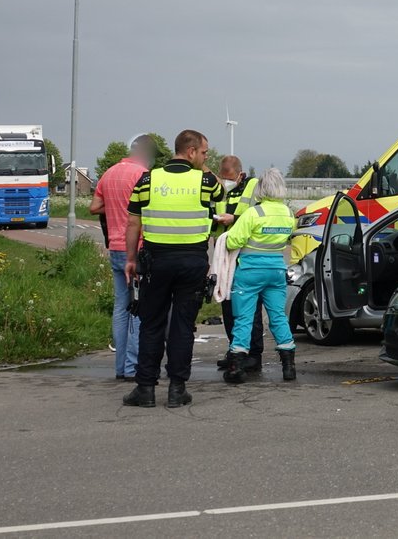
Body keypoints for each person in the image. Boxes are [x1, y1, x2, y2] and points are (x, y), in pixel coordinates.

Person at [122, 130, 223, 409]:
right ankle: (177, 389)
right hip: (192, 262)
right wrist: (203, 168)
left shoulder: (147, 179)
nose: (206, 158)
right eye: (204, 153)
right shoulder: (206, 180)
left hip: (156, 261)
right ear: (190, 152)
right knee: (182, 326)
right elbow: (221, 197)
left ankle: (145, 389)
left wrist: (131, 259)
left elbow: (133, 224)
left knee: (151, 324)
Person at [89, 134, 155, 381]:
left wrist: (116, 206)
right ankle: (132, 366)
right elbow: (147, 211)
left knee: (120, 307)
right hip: (135, 248)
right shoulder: (142, 175)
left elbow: (94, 207)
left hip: (114, 247)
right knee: (139, 307)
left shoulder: (109, 173)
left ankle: (120, 367)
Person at [222, 168, 298, 383]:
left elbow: (232, 241)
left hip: (250, 272)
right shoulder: (288, 214)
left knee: (244, 318)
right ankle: (289, 366)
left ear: (261, 189)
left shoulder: (253, 213)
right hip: (276, 271)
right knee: (278, 317)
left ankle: (236, 367)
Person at [211, 155, 264, 372]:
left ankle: (254, 354)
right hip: (225, 258)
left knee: (250, 309)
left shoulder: (253, 186)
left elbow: (259, 214)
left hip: (246, 257)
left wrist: (233, 218)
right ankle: (235, 351)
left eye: (229, 177)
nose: (225, 181)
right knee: (228, 305)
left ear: (240, 174)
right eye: (223, 178)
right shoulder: (222, 191)